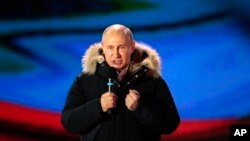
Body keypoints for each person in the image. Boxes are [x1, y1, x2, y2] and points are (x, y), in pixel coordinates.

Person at [61, 24, 180, 141]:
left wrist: (140, 108)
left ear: (132, 47)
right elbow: (69, 121)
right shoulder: (85, 80)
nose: (116, 54)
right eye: (110, 47)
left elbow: (170, 124)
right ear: (103, 47)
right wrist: (98, 107)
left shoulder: (153, 80)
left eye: (121, 47)